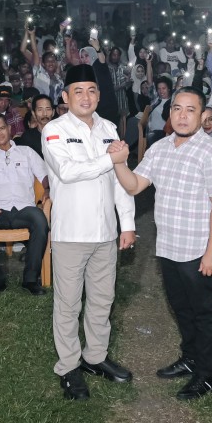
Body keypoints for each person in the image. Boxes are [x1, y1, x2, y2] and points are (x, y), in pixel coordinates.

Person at [111, 86, 212, 401]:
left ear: (204, 115)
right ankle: (191, 358)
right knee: (181, 307)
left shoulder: (211, 153)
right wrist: (120, 163)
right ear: (170, 111)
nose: (182, 115)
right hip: (168, 246)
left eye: (190, 110)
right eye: (177, 108)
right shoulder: (161, 148)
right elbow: (136, 186)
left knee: (203, 312)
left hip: (197, 250)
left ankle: (206, 376)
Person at [41, 64, 135, 401]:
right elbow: (67, 172)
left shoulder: (109, 128)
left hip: (105, 232)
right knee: (68, 304)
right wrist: (111, 160)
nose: (85, 97)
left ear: (99, 95)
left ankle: (95, 357)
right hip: (71, 232)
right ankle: (68, 366)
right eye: (77, 91)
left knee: (102, 299)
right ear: (65, 97)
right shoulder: (54, 130)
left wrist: (127, 225)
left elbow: (122, 183)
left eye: (92, 90)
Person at [0, 114, 50, 297]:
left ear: (9, 129)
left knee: (40, 221)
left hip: (24, 208)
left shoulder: (26, 152)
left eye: (2, 128)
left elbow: (44, 175)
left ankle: (30, 279)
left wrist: (48, 188)